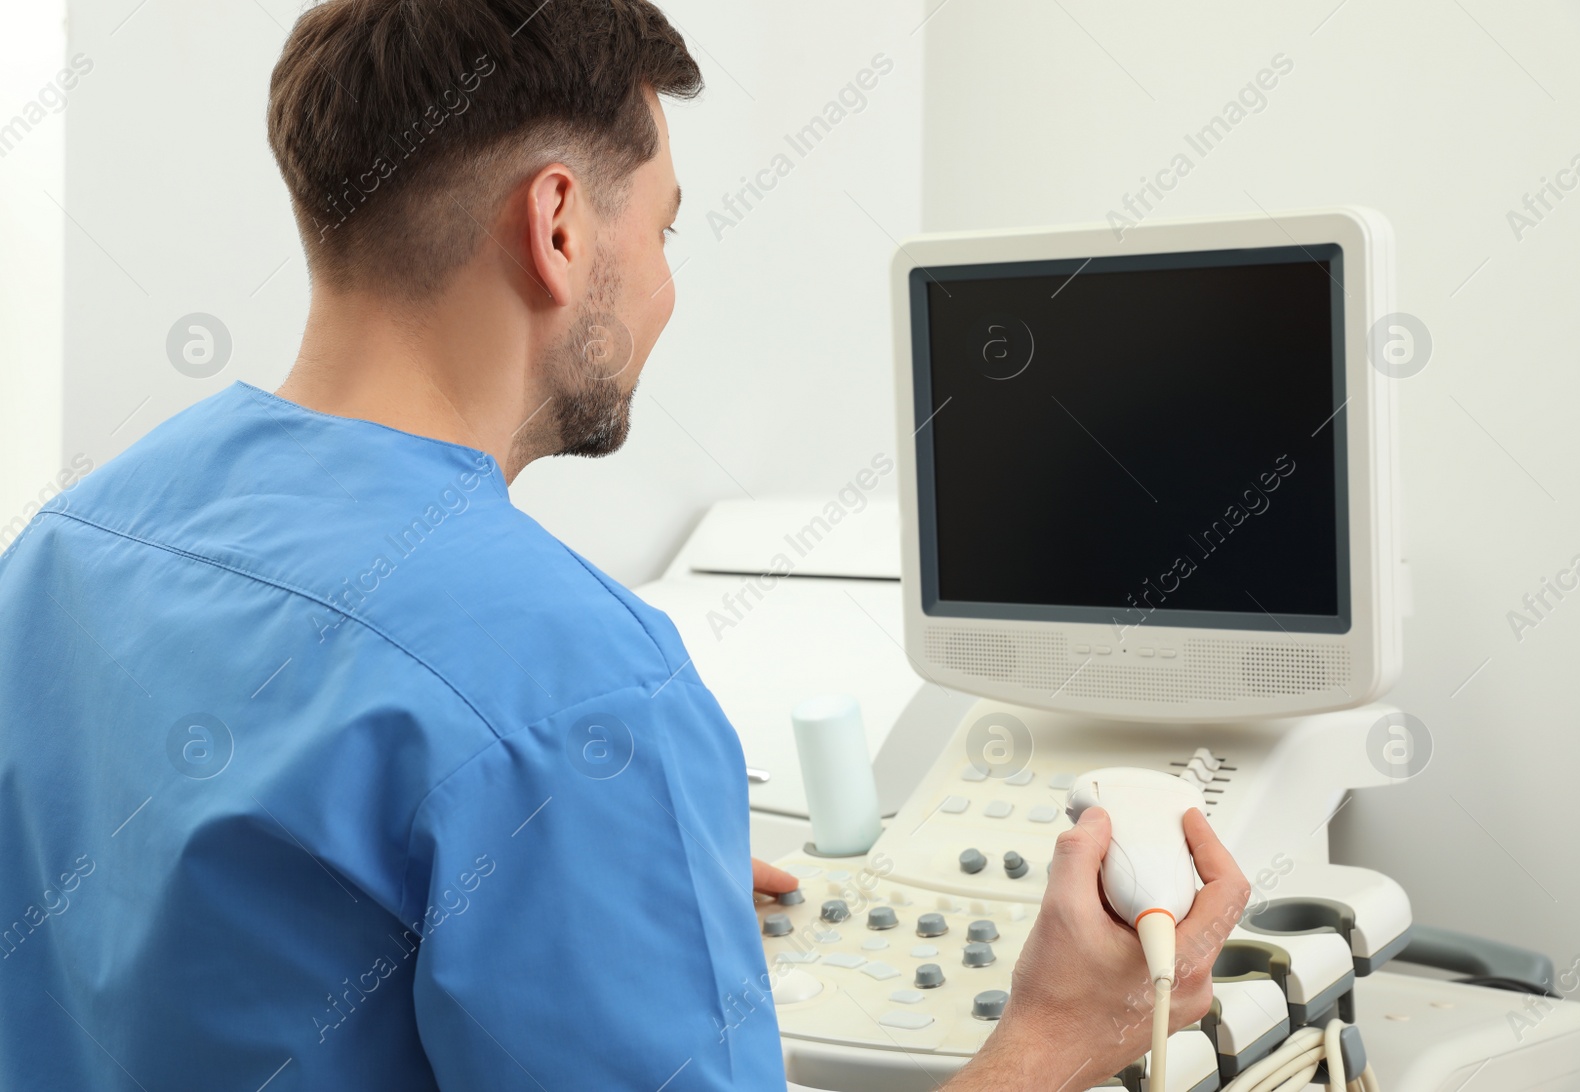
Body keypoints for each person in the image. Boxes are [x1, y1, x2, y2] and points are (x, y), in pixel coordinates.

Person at [0, 1, 1249, 1088]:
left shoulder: (70, 541)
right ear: (556, 227)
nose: (660, 287)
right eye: (663, 228)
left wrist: (611, 870)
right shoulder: (573, 685)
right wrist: (1057, 1034)